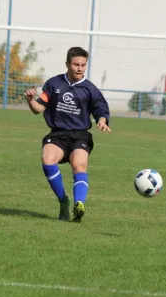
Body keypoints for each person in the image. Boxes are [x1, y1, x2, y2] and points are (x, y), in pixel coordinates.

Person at [24, 46, 111, 224]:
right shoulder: (54, 84)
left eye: (83, 65)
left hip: (80, 135)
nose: (79, 68)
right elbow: (38, 109)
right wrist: (30, 100)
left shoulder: (90, 89)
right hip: (58, 134)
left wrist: (102, 120)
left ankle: (79, 204)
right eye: (76, 64)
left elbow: (101, 109)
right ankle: (63, 200)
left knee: (79, 166)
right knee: (47, 160)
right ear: (67, 64)